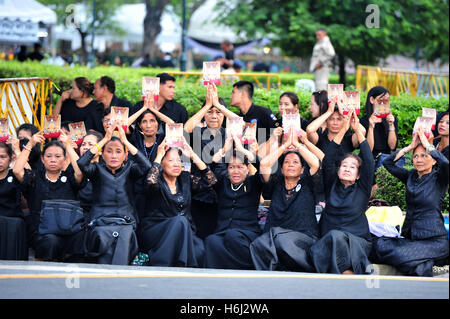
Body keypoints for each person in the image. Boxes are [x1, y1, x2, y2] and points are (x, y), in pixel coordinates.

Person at [372, 127, 449, 276]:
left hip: (434, 241)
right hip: (411, 237)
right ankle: (428, 266)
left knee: (399, 255)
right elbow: (388, 163)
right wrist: (409, 147)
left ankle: (429, 263)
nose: (419, 159)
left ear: (434, 160)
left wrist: (428, 145)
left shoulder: (439, 179)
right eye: (416, 156)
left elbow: (445, 163)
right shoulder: (410, 176)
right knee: (379, 245)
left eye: (424, 156)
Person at [309, 110, 375, 274]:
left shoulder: (362, 187)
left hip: (356, 241)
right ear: (337, 170)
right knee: (333, 237)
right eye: (344, 166)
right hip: (330, 239)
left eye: (352, 167)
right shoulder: (332, 183)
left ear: (358, 175)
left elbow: (368, 161)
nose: (347, 169)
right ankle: (344, 271)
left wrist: (357, 131)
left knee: (337, 237)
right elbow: (328, 158)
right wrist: (343, 130)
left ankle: (346, 270)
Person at [77, 123, 151, 265]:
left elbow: (146, 166)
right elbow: (82, 163)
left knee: (126, 234)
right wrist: (105, 139)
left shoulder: (130, 169)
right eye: (109, 151)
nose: (114, 156)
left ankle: (119, 270)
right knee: (101, 234)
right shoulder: (96, 170)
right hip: (100, 220)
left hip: (126, 220)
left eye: (118, 151)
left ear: (125, 155)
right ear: (102, 154)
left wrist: (126, 141)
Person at [250, 128, 322, 271]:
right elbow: (264, 164)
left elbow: (315, 163)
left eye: (295, 162)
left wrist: (297, 145)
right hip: (275, 237)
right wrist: (284, 146)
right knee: (258, 243)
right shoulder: (275, 184)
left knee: (280, 239)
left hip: (303, 238)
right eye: (286, 162)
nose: (290, 164)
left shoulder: (307, 183)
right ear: (281, 169)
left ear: (302, 170)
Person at [138, 138, 217, 267]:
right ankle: (168, 264)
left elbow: (211, 181)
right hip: (157, 229)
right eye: (170, 160)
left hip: (184, 233)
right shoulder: (156, 180)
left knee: (200, 250)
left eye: (179, 160)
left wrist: (193, 155)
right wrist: (158, 155)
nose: (176, 164)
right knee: (180, 221)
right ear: (161, 164)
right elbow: (150, 182)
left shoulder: (185, 179)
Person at [13, 133, 86, 262]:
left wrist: (68, 146)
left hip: (69, 229)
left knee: (81, 236)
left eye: (58, 156)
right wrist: (30, 144)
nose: (53, 160)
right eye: (49, 156)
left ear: (64, 159)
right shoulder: (35, 178)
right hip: (42, 232)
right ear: (42, 159)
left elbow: (80, 171)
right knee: (51, 241)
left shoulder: (69, 178)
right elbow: (17, 170)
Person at [184, 84, 238, 239]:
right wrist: (208, 104)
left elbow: (238, 122)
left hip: (224, 192)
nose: (214, 116)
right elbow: (186, 128)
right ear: (204, 116)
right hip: (199, 192)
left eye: (219, 112)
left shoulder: (230, 135)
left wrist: (217, 104)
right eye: (210, 112)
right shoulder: (196, 133)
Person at [204, 135, 262, 270]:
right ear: (227, 170)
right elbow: (211, 166)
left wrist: (242, 149)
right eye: (231, 167)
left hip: (247, 233)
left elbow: (262, 165)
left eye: (240, 167)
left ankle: (249, 269)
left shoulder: (254, 183)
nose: (236, 171)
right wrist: (224, 149)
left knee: (233, 236)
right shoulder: (222, 183)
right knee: (211, 241)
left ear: (247, 169)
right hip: (223, 231)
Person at [0, 142, 28, 260]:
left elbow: (29, 176)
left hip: (13, 221)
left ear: (11, 158)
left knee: (15, 224)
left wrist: (17, 150)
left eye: (3, 157)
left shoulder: (15, 174)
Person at [360, 86, 399, 168]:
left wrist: (391, 125)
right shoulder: (363, 121)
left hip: (385, 162)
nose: (384, 103)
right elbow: (368, 150)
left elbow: (392, 146)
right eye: (381, 99)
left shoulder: (392, 119)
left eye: (387, 100)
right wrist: (370, 127)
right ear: (372, 100)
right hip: (368, 161)